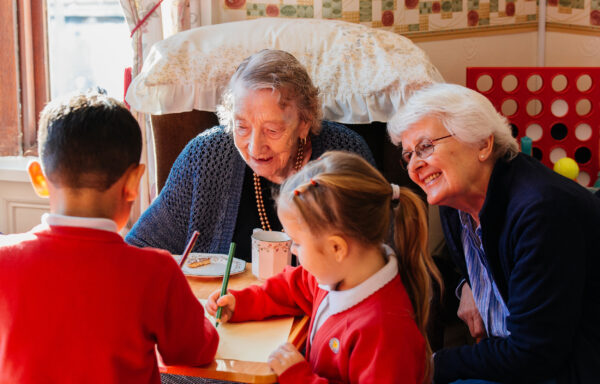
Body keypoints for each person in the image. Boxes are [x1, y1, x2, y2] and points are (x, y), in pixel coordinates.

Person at [387, 82, 600, 384]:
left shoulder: (541, 211)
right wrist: (467, 285)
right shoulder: (455, 198)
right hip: (512, 354)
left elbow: (534, 354)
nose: (415, 166)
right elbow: (487, 258)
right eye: (408, 155)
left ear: (483, 145)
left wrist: (430, 365)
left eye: (426, 147)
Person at [0, 92, 219, 383]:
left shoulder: (5, 260)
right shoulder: (156, 272)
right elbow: (195, 351)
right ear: (132, 183)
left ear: (39, 178)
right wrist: (200, 316)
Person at [206, 151, 442, 383]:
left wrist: (299, 377)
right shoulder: (335, 277)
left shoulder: (386, 332)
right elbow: (289, 287)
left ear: (336, 248)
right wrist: (240, 303)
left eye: (297, 243)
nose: (293, 250)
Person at [125, 49, 374, 260]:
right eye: (242, 127)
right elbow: (138, 249)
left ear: (304, 122)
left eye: (272, 130)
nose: (255, 148)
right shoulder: (205, 157)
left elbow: (380, 260)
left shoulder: (345, 155)